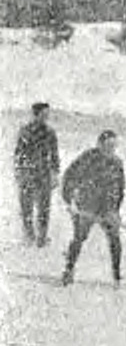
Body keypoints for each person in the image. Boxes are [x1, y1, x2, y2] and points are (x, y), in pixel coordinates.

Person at [60, 130, 126, 287]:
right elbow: (69, 176)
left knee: (115, 241)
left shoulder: (117, 163)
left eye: (113, 146)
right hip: (86, 207)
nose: (111, 149)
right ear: (99, 144)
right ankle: (69, 270)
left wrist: (116, 210)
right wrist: (69, 199)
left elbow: (121, 187)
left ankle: (116, 276)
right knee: (79, 238)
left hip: (108, 209)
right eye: (108, 145)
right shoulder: (88, 158)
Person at [13, 101, 60, 247]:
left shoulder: (50, 132)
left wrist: (55, 174)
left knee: (44, 208)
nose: (46, 117)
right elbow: (18, 153)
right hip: (27, 173)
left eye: (48, 114)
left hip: (44, 174)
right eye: (43, 114)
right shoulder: (24, 131)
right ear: (35, 114)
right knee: (26, 207)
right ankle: (28, 236)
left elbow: (54, 155)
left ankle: (42, 238)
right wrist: (18, 172)